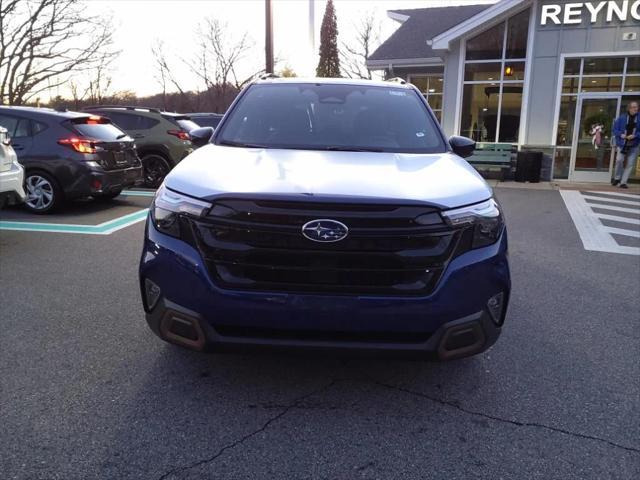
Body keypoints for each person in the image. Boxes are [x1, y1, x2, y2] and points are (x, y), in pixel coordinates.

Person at [612, 101, 639, 189]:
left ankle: (623, 182)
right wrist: (621, 134)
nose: (636, 109)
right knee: (619, 160)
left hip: (634, 144)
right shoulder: (622, 118)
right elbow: (614, 130)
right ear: (629, 108)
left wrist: (635, 135)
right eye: (634, 107)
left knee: (630, 163)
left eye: (637, 107)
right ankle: (617, 178)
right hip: (622, 144)